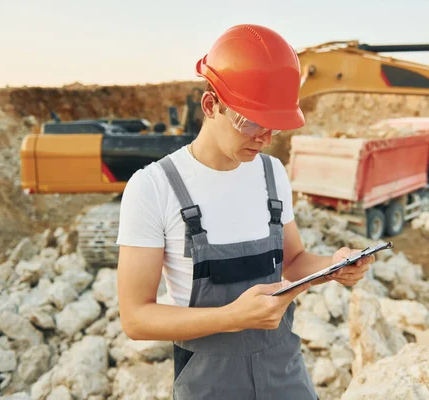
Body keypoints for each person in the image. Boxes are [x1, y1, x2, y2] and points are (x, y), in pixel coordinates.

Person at [116, 24, 376, 399]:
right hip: (209, 384)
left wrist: (333, 268)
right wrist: (233, 318)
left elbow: (295, 260)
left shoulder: (273, 174)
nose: (264, 138)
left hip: (284, 374)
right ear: (211, 105)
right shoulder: (154, 188)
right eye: (251, 120)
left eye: (274, 125)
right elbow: (136, 317)